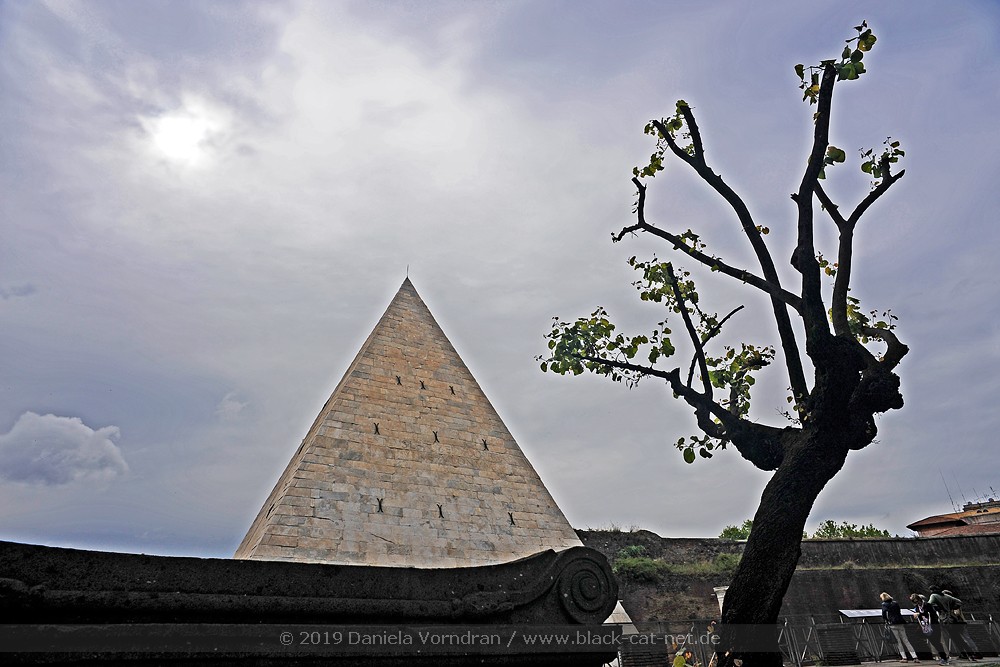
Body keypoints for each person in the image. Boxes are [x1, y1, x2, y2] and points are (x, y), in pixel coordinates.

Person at [940, 589, 980, 661]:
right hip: (955, 623)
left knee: (965, 638)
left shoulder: (953, 604)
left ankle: (975, 652)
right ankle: (965, 653)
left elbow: (957, 613)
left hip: (959, 623)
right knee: (959, 639)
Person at [911, 593, 949, 665]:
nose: (917, 603)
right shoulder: (917, 607)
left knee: (936, 642)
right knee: (933, 642)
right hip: (925, 626)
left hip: (933, 625)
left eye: (917, 601)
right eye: (915, 602)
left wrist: (920, 614)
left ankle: (944, 658)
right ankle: (942, 657)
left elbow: (932, 614)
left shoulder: (928, 605)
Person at [881, 592, 919, 662]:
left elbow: (884, 614)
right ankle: (915, 656)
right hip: (900, 622)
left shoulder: (884, 604)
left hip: (892, 624)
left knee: (898, 641)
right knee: (906, 640)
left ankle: (904, 657)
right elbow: (899, 612)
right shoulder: (895, 603)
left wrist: (887, 620)